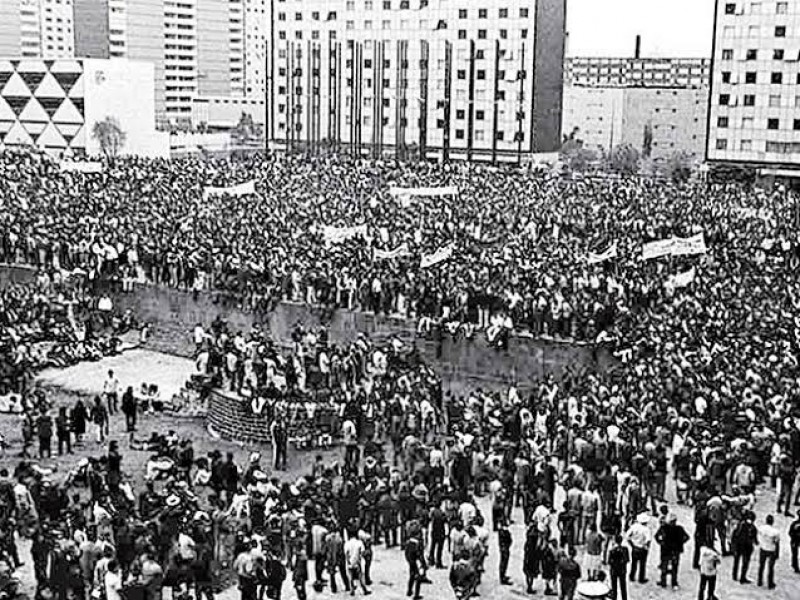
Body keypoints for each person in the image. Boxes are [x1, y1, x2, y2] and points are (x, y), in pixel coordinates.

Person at [654, 513, 689, 589]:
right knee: (674, 567)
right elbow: (686, 537)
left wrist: (661, 543)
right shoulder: (679, 529)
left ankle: (663, 582)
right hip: (676, 551)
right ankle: (674, 582)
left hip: (665, 550)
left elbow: (656, 536)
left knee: (664, 566)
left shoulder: (663, 528)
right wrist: (680, 543)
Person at [731, 510, 757, 584]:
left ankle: (734, 575)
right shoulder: (753, 527)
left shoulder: (740, 524)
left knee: (736, 560)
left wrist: (733, 545)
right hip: (746, 547)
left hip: (739, 545)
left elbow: (734, 534)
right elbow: (755, 539)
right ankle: (742, 577)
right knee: (745, 562)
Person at [625, 513, 650, 584]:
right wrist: (646, 547)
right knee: (642, 564)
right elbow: (648, 540)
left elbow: (627, 536)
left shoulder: (634, 526)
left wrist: (632, 545)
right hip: (642, 548)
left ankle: (632, 576)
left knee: (634, 563)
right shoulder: (646, 529)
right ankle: (641, 578)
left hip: (635, 547)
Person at [757, 514, 779, 589]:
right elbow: (776, 542)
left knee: (761, 566)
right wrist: (777, 553)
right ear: (772, 522)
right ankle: (770, 583)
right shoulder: (775, 532)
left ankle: (759, 581)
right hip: (771, 549)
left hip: (763, 548)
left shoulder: (761, 528)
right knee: (771, 567)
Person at [344, 532, 370, 596]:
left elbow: (346, 554)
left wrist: (348, 561)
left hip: (349, 563)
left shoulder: (347, 543)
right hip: (357, 563)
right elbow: (362, 552)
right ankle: (364, 590)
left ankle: (352, 591)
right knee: (360, 578)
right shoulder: (359, 543)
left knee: (350, 578)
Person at [405, 530, 425, 600]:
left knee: (411, 577)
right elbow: (419, 554)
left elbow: (406, 554)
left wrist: (409, 561)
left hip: (411, 562)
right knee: (418, 579)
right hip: (416, 562)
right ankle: (416, 594)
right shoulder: (417, 543)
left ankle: (409, 591)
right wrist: (423, 563)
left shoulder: (408, 542)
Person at [607, 535, 629, 600]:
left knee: (614, 586)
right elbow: (627, 560)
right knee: (623, 586)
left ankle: (614, 598)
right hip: (622, 570)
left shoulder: (612, 550)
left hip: (614, 570)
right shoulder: (625, 549)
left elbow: (609, 561)